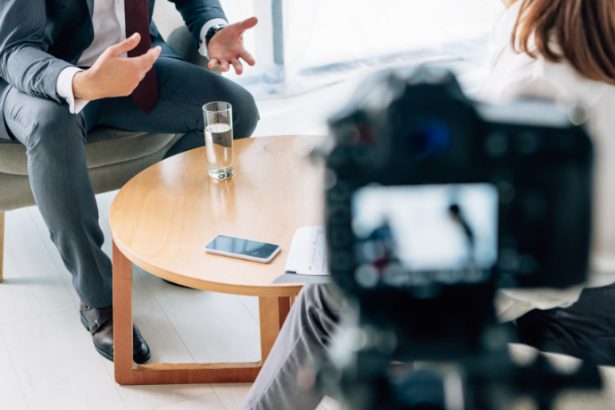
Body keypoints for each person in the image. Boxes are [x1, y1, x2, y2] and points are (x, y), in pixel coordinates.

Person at [243, 0, 615, 408]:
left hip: (564, 294)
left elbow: (521, 252)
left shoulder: (542, 63)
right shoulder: (582, 45)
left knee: (326, 300)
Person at [0, 0, 260, 363]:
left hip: (134, 70)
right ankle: (98, 298)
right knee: (51, 127)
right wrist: (79, 82)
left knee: (236, 109)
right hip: (46, 79)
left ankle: (159, 235)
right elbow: (16, 48)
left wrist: (213, 31)